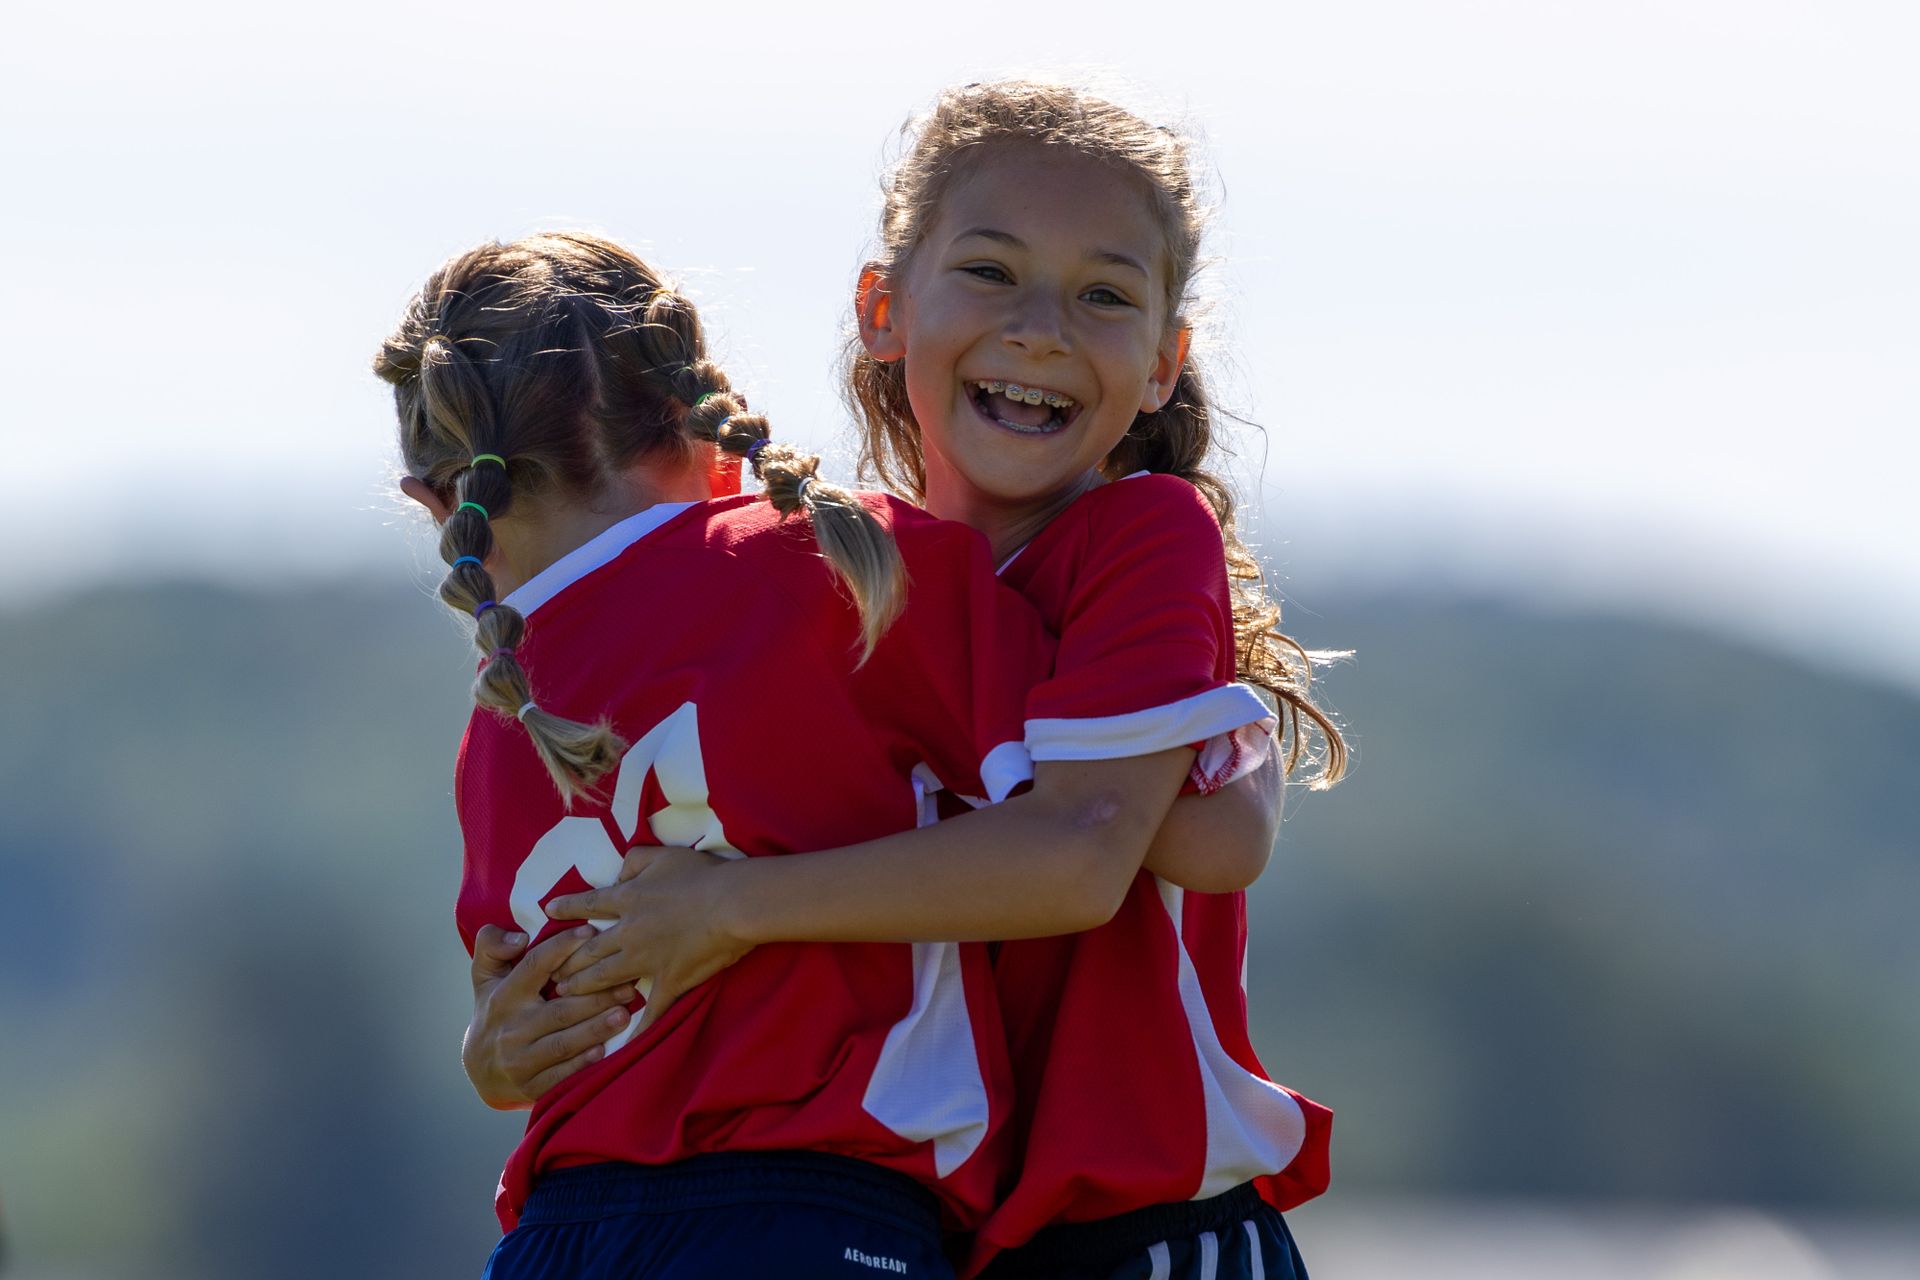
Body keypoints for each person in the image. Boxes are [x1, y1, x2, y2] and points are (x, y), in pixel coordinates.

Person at [541, 81, 1348, 1280]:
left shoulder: (1141, 534)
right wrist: (505, 1039)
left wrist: (727, 907)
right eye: (991, 271)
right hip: (932, 1238)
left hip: (1143, 1235)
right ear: (883, 308)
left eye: (1105, 295)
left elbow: (1078, 856)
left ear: (1167, 363)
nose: (1041, 329)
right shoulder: (849, 591)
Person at [378, 231, 1062, 1279]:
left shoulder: (501, 715)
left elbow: (517, 1032)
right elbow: (1088, 814)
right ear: (696, 407)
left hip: (556, 1239)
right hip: (811, 1216)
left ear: (440, 503)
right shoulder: (833, 559)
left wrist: (486, 1060)